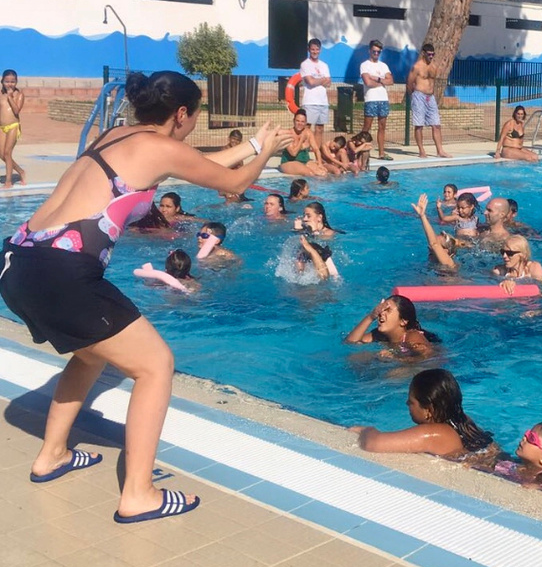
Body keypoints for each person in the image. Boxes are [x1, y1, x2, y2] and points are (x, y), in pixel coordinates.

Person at [0, 70, 288, 523]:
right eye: (195, 115)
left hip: (18, 262)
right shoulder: (161, 147)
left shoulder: (119, 132)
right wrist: (266, 153)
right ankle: (138, 494)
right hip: (62, 272)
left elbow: (195, 160)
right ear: (181, 113)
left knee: (91, 353)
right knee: (156, 366)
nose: (194, 123)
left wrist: (252, 144)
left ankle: (52, 454)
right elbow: (231, 184)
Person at [350, 368, 495, 457]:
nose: (407, 403)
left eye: (411, 402)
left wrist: (366, 430)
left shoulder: (435, 433)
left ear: (428, 410)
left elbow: (373, 444)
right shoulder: (463, 421)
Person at [345, 294, 438, 359]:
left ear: (403, 321)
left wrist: (396, 358)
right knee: (355, 358)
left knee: (394, 374)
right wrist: (371, 316)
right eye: (381, 310)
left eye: (388, 310)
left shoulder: (412, 336)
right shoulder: (378, 335)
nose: (381, 313)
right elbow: (350, 343)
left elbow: (428, 357)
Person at [406, 43, 450, 158]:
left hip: (430, 97)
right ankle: (421, 150)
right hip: (419, 96)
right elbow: (409, 82)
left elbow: (433, 83)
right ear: (424, 53)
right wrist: (413, 96)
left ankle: (440, 151)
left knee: (436, 124)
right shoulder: (417, 67)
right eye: (429, 54)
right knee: (419, 125)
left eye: (433, 54)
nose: (431, 56)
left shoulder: (434, 67)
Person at [359, 39, 393, 161]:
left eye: (378, 52)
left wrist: (378, 79)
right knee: (366, 127)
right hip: (371, 99)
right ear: (370, 51)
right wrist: (382, 82)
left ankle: (381, 153)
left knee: (382, 126)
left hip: (383, 99)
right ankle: (359, 150)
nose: (376, 54)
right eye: (374, 51)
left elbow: (391, 81)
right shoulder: (364, 65)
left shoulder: (383, 66)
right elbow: (367, 82)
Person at [411, 193, 459, 271]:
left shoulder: (449, 264)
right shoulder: (434, 262)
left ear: (445, 251)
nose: (430, 245)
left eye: (437, 243)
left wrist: (422, 216)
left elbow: (434, 244)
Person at [299, 38, 332, 148]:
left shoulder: (324, 65)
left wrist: (318, 80)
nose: (315, 52)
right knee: (307, 127)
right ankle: (304, 148)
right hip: (310, 101)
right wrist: (322, 80)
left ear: (320, 50)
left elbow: (329, 83)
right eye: (312, 49)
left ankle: (316, 150)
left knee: (320, 128)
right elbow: (310, 82)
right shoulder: (305, 64)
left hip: (322, 101)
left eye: (317, 49)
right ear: (309, 50)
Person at [279, 110, 327, 177]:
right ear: (293, 121)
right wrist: (301, 139)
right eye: (297, 121)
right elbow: (293, 153)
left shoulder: (308, 133)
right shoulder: (288, 134)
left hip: (305, 161)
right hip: (290, 162)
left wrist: (319, 163)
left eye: (302, 122)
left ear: (305, 123)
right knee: (310, 173)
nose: (300, 124)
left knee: (322, 173)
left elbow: (316, 149)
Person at [1, 68, 26, 187]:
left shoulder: (19, 95)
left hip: (13, 126)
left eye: (12, 82)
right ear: (2, 81)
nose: (10, 84)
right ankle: (20, 171)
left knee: (7, 153)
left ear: (16, 82)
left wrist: (10, 97)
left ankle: (8, 181)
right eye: (7, 81)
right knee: (2, 154)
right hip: (2, 127)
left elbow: (16, 111)